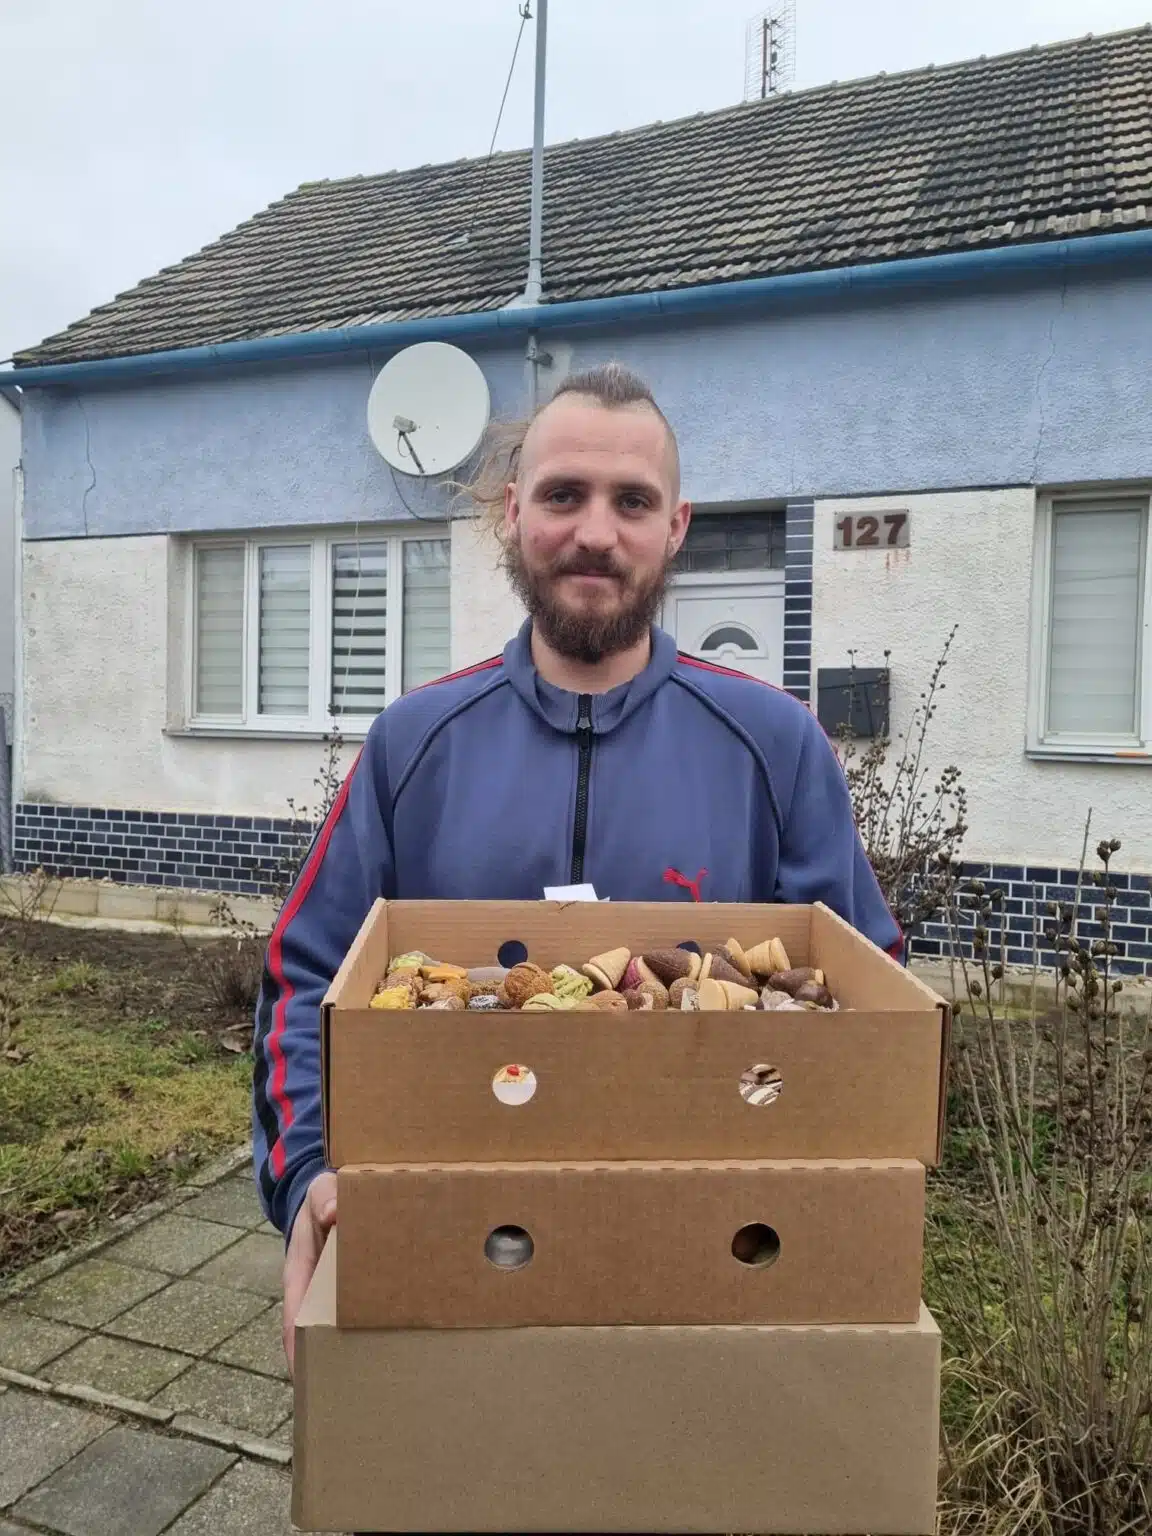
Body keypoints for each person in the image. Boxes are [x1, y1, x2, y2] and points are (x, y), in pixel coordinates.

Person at [252, 361, 902, 1369]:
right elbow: (307, 978)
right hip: (446, 1255)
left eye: (631, 502)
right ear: (514, 513)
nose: (596, 532)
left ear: (676, 528)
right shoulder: (415, 744)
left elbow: (864, 1007)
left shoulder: (776, 747)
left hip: (702, 1267)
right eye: (564, 495)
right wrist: (308, 1176)